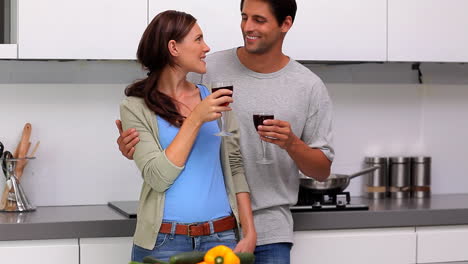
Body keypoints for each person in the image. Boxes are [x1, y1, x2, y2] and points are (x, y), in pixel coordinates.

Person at [117, 1, 334, 263]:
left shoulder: (307, 86)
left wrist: (291, 144)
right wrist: (135, 147)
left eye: (259, 20)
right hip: (179, 235)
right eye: (244, 17)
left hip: (248, 230)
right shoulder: (206, 72)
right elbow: (159, 162)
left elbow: (237, 163)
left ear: (285, 24)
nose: (247, 27)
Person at [119, 10, 256, 263]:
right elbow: (158, 177)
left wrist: (249, 233)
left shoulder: (214, 99)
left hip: (222, 238)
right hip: (163, 243)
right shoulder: (135, 107)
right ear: (173, 47)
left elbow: (235, 168)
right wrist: (195, 119)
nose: (206, 47)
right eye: (198, 39)